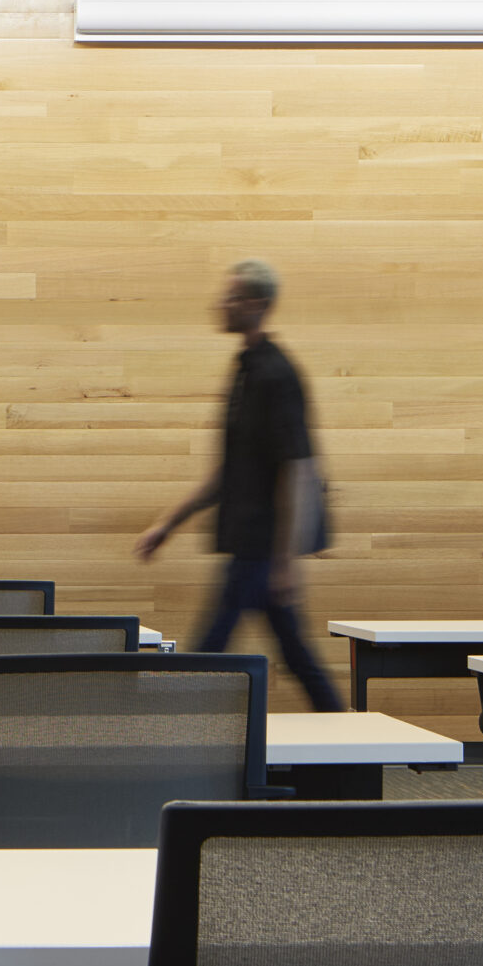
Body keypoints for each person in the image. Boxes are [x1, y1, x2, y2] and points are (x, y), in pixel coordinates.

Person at [135, 259, 342, 711]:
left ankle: (173, 736)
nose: (222, 304)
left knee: (211, 650)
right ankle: (347, 738)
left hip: (261, 551)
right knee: (294, 655)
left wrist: (284, 564)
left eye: (232, 297)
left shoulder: (276, 375)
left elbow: (297, 470)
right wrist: (168, 523)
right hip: (253, 547)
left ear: (257, 304)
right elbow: (228, 471)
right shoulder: (246, 369)